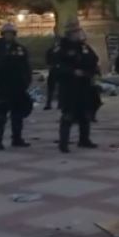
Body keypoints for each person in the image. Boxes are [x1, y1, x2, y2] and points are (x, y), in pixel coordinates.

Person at [0, 23, 34, 149]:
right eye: (6, 33)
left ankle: (17, 138)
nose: (9, 36)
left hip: (18, 87)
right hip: (2, 87)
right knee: (1, 116)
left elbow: (26, 67)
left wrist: (26, 82)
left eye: (11, 33)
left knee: (17, 115)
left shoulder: (20, 49)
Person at [56, 22, 99, 151]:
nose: (78, 34)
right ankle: (63, 143)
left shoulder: (84, 46)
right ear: (69, 34)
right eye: (75, 32)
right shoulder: (63, 48)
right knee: (68, 115)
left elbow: (93, 59)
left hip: (84, 85)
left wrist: (91, 71)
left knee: (85, 114)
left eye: (78, 31)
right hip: (69, 86)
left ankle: (84, 139)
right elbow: (58, 65)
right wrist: (72, 71)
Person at [43, 38, 61, 110]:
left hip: (61, 70)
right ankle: (48, 103)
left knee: (60, 88)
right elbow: (47, 59)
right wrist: (49, 65)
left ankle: (60, 104)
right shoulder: (51, 50)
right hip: (53, 70)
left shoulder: (63, 50)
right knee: (51, 88)